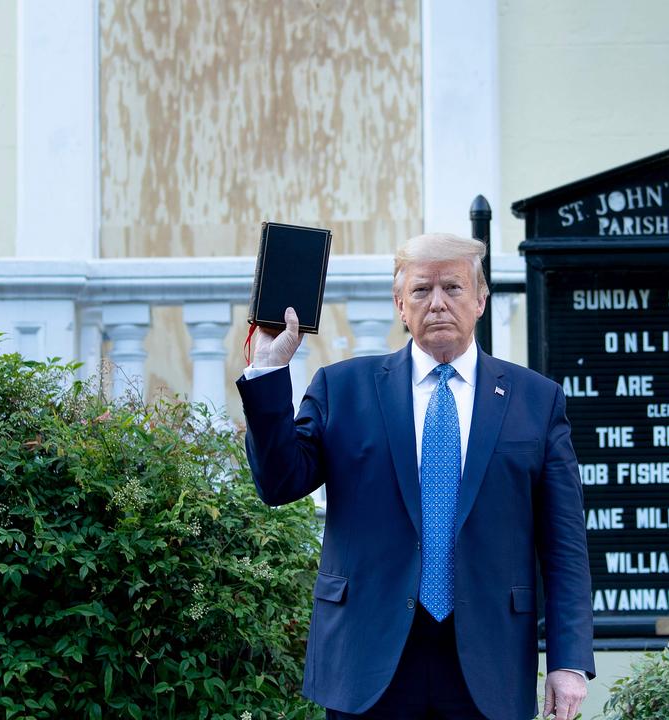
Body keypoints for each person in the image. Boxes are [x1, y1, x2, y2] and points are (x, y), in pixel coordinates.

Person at [237, 232, 595, 720]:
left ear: (481, 300)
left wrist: (569, 662)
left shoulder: (537, 400)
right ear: (400, 305)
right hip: (367, 657)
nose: (439, 303)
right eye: (422, 290)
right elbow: (280, 484)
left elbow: (565, 545)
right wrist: (268, 371)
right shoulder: (343, 388)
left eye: (453, 287)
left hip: (488, 660)